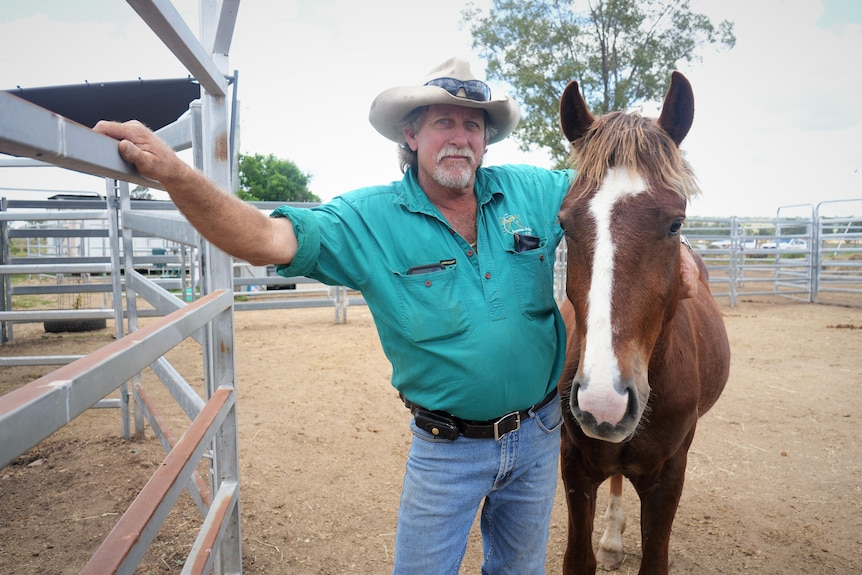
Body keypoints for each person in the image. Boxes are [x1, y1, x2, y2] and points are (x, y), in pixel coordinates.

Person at [94, 57, 699, 574]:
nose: (460, 138)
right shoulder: (368, 219)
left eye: (473, 125)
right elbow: (263, 240)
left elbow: (630, 201)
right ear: (410, 135)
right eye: (443, 123)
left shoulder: (533, 192)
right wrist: (176, 175)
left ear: (486, 141)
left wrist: (683, 253)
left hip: (539, 436)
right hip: (447, 450)